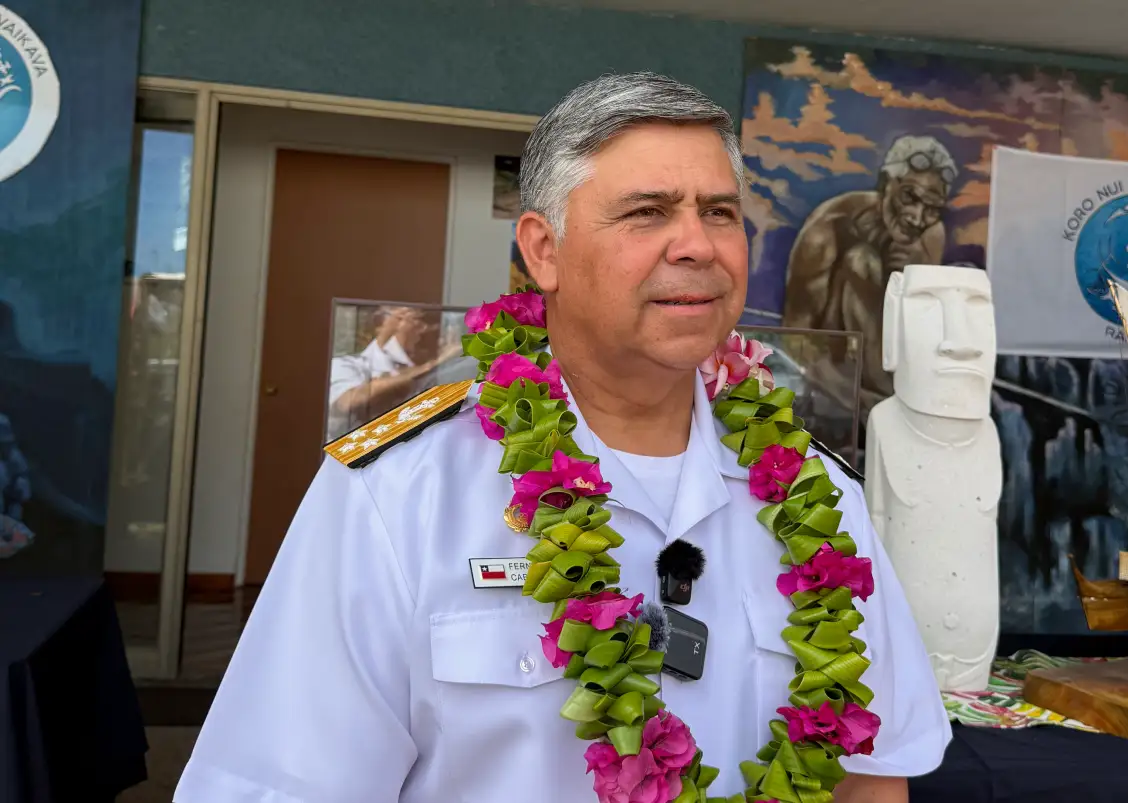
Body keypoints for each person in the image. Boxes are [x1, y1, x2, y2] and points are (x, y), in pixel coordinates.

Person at [175, 72, 949, 803]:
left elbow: (869, 775)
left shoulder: (818, 501)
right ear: (542, 249)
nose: (699, 245)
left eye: (719, 212)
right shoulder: (398, 494)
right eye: (648, 211)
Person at [783, 135, 957, 410]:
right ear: (885, 183)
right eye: (909, 197)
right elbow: (794, 340)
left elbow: (919, 336)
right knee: (861, 261)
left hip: (891, 383)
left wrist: (908, 276)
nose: (917, 217)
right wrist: (856, 402)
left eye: (932, 209)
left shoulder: (931, 236)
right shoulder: (826, 232)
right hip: (833, 379)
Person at [326, 305, 438, 440]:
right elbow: (348, 402)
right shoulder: (347, 365)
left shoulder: (432, 372)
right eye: (414, 319)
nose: (423, 329)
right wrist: (426, 368)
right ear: (383, 325)